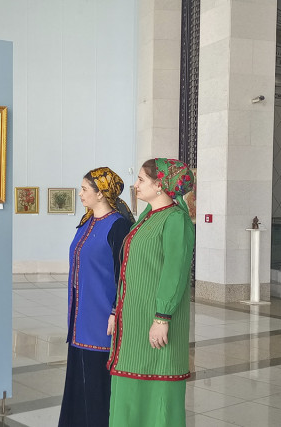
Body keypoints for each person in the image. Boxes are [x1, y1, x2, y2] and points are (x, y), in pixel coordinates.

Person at [107, 158, 195, 427]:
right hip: (133, 320)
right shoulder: (147, 217)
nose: (135, 185)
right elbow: (130, 270)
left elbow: (175, 272)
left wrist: (162, 317)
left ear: (160, 185)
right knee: (128, 388)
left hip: (155, 321)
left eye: (141, 179)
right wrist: (116, 311)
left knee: (159, 394)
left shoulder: (176, 219)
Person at [58, 167, 134, 427]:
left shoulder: (118, 226)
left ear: (100, 193)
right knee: (78, 382)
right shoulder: (86, 222)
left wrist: (115, 310)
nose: (80, 194)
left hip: (102, 320)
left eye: (84, 189)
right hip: (79, 319)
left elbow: (124, 274)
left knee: (96, 384)